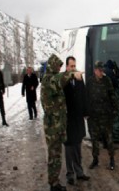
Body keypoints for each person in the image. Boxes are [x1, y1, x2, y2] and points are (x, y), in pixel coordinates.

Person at [40, 54, 83, 191]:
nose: (59, 69)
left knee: (56, 156)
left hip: (57, 126)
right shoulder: (48, 80)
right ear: (53, 66)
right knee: (54, 157)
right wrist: (71, 73)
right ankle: (53, 185)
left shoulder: (52, 78)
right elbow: (59, 79)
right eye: (58, 67)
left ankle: (55, 182)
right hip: (53, 127)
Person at [86, 61, 119, 170]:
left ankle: (112, 160)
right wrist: (86, 112)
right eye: (99, 70)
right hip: (94, 116)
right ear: (95, 70)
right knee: (94, 139)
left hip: (105, 115)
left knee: (109, 138)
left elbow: (112, 95)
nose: (101, 72)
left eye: (102, 70)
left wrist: (115, 109)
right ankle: (95, 159)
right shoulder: (90, 81)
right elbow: (86, 97)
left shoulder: (107, 81)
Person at [63, 56, 90, 185]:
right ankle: (70, 174)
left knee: (78, 146)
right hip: (67, 120)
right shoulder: (62, 79)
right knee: (69, 148)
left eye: (75, 66)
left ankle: (79, 172)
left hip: (78, 119)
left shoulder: (79, 78)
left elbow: (84, 95)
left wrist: (86, 112)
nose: (74, 68)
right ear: (67, 67)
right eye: (71, 66)